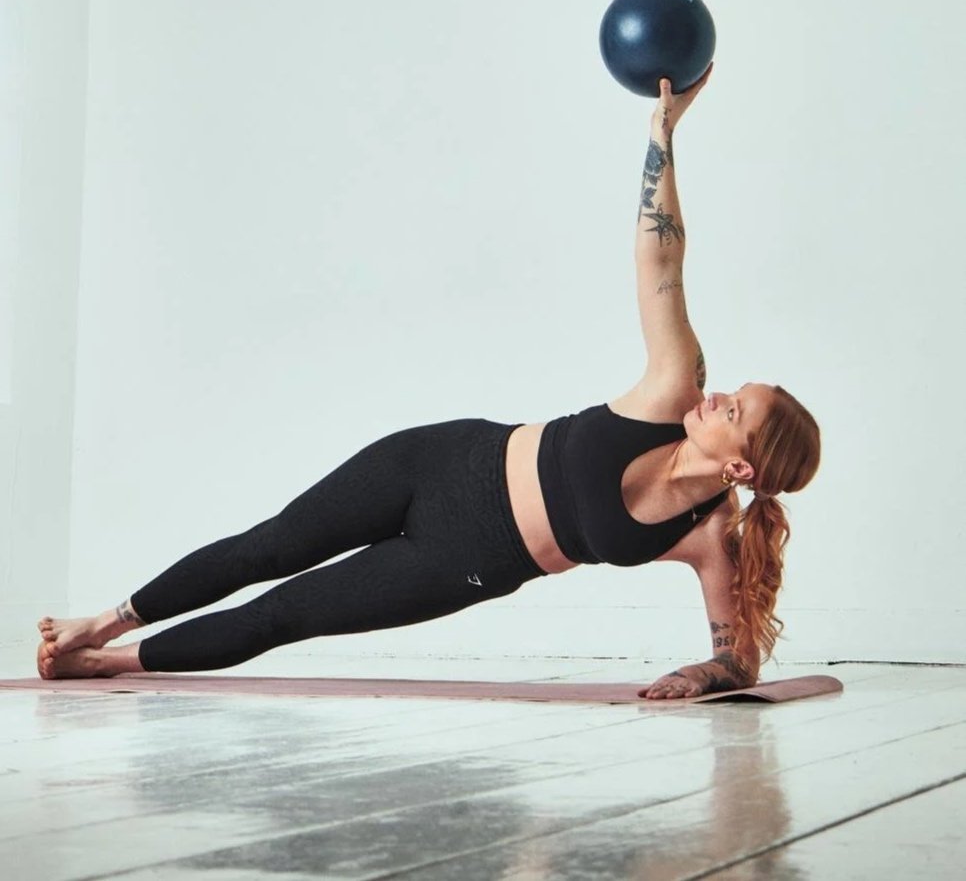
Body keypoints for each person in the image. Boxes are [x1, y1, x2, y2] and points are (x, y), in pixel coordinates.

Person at [37, 69, 820, 697]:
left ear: (739, 466)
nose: (720, 397)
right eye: (735, 391)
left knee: (285, 613)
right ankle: (100, 623)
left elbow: (739, 658)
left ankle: (105, 665)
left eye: (736, 410)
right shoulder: (675, 388)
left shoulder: (710, 534)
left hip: (464, 561)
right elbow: (661, 259)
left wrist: (705, 674)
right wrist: (662, 134)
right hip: (441, 461)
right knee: (265, 546)